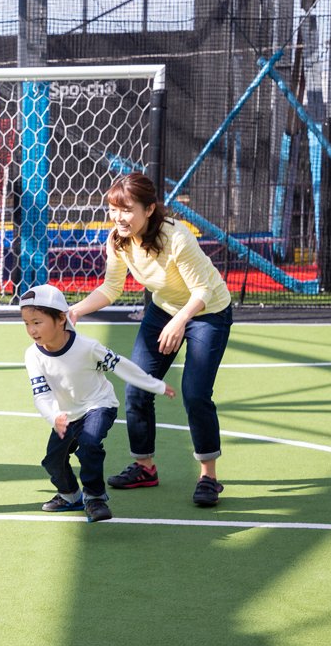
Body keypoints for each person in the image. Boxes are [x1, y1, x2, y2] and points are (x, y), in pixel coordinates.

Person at [69, 172, 232, 506]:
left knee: (195, 393)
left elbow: (202, 290)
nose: (118, 217)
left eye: (126, 209)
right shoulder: (118, 239)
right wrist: (76, 311)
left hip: (208, 312)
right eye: (113, 209)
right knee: (137, 385)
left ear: (149, 209)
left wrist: (180, 320)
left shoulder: (177, 237)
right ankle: (145, 467)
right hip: (164, 310)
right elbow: (112, 288)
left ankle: (209, 477)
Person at [20, 284, 175, 522]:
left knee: (89, 444)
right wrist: (54, 416)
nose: (32, 329)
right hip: (65, 415)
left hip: (98, 405)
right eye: (27, 323)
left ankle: (94, 498)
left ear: (61, 318)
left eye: (37, 322)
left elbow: (121, 365)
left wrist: (155, 385)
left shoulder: (87, 347)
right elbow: (41, 393)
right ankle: (70, 496)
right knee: (53, 461)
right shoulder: (33, 355)